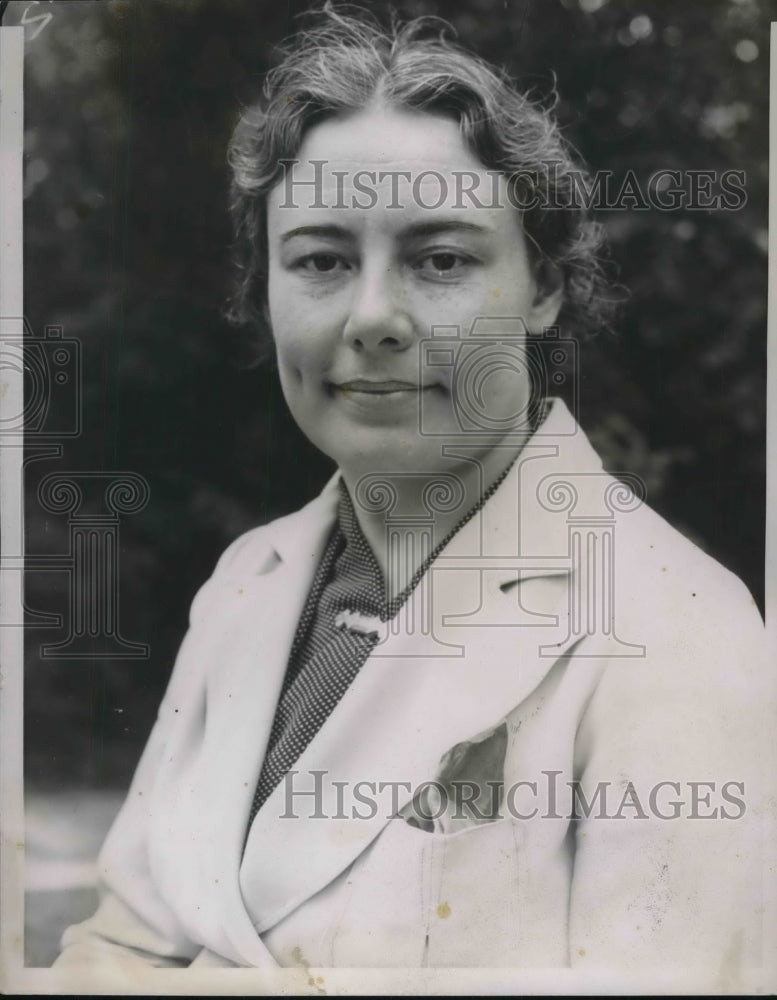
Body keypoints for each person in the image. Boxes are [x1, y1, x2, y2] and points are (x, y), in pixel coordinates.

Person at [54, 5, 767, 979]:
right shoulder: (243, 586)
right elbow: (119, 947)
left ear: (544, 286)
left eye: (441, 258)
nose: (374, 316)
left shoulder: (678, 631)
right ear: (263, 287)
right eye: (321, 260)